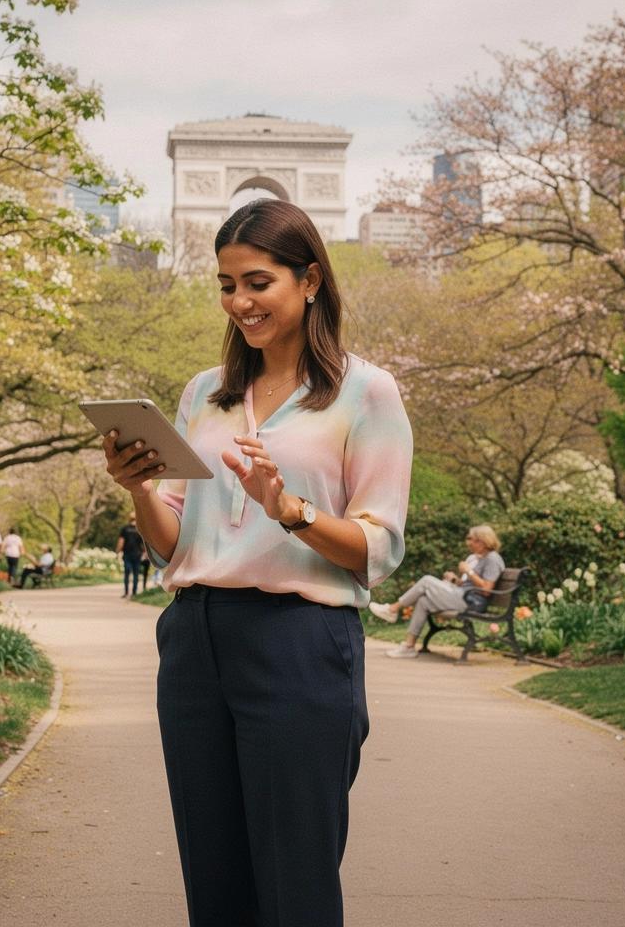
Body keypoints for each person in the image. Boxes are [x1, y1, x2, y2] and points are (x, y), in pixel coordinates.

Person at [102, 199, 412, 927]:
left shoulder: (366, 392)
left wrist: (292, 510)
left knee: (293, 881)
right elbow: (174, 543)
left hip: (298, 645)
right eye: (225, 285)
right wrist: (140, 488)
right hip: (194, 642)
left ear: (309, 282)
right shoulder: (204, 395)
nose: (238, 301)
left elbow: (379, 548)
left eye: (257, 282)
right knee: (214, 880)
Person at [368, 524, 505, 658]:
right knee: (423, 601)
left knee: (427, 581)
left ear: (484, 541)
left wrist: (468, 571)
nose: (469, 543)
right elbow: (468, 584)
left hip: (472, 602)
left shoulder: (492, 559)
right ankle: (409, 647)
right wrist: (455, 580)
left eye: (473, 540)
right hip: (463, 595)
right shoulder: (476, 558)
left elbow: (486, 590)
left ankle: (392, 610)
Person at [116, 513, 145, 597]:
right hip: (137, 554)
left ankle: (126, 592)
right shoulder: (140, 529)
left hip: (127, 554)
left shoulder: (125, 529)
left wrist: (117, 552)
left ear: (129, 519)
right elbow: (144, 543)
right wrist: (144, 552)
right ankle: (134, 593)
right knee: (136, 574)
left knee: (127, 573)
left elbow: (121, 542)